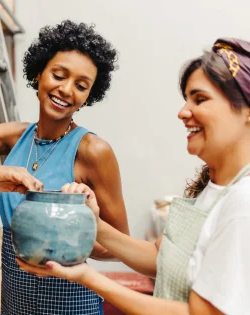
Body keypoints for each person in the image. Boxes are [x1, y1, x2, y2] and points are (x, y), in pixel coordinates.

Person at [17, 38, 250, 315]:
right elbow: (160, 258)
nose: (183, 111)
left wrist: (88, 277)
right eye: (186, 99)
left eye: (200, 99)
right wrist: (96, 223)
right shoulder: (213, 190)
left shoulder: (242, 202)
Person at [0, 20, 130, 314]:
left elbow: (121, 248)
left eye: (81, 86)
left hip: (69, 299)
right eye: (58, 75)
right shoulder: (12, 136)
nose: (66, 89)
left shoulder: (94, 151)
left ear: (88, 97)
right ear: (39, 73)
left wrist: (71, 238)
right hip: (15, 295)